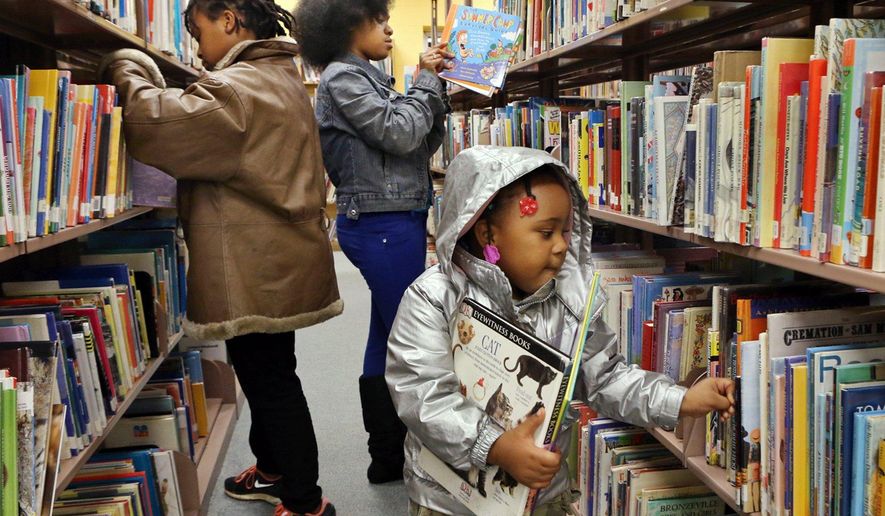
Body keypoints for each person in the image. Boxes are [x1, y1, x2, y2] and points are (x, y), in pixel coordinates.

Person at [386, 146, 736, 515]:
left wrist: (679, 400)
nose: (560, 246)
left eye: (566, 231)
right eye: (545, 232)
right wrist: (496, 446)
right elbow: (422, 393)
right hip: (452, 500)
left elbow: (605, 378)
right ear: (488, 234)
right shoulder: (434, 298)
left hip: (541, 497)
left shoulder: (570, 302)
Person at [98, 1, 341, 515]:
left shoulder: (237, 88)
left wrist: (129, 67)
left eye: (199, 30)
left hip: (259, 263)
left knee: (271, 381)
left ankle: (305, 501)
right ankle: (274, 470)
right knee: (265, 370)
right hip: (275, 258)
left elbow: (159, 124)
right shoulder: (276, 75)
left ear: (230, 20)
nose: (198, 49)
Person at [293, 0, 453, 484]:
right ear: (346, 25)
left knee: (386, 337)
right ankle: (410, 450)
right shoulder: (344, 78)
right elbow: (400, 133)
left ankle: (386, 456)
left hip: (395, 219)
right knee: (414, 338)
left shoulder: (367, 77)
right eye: (378, 21)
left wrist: (438, 88)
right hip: (381, 225)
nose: (388, 30)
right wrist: (424, 81)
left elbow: (418, 145)